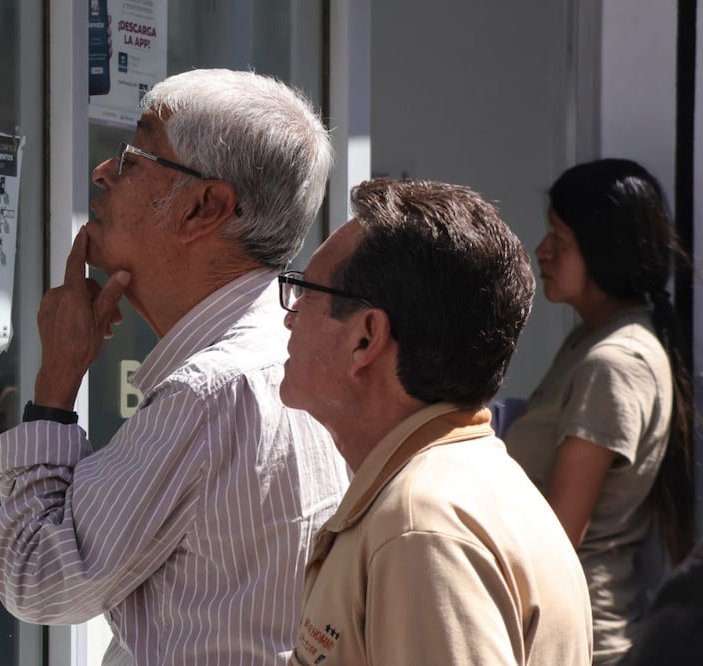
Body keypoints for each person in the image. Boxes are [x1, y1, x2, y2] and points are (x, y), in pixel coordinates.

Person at [0, 69, 349, 665]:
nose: (103, 172)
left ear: (204, 207)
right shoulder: (297, 352)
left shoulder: (209, 392)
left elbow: (36, 574)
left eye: (133, 158)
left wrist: (56, 382)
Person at [282, 178, 592, 665]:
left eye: (303, 290)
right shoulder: (447, 491)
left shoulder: (421, 526)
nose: (289, 315)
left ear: (366, 338)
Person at [502, 158, 696, 664]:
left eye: (559, 240)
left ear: (604, 250)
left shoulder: (614, 362)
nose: (541, 251)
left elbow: (562, 531)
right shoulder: (593, 339)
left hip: (581, 637)